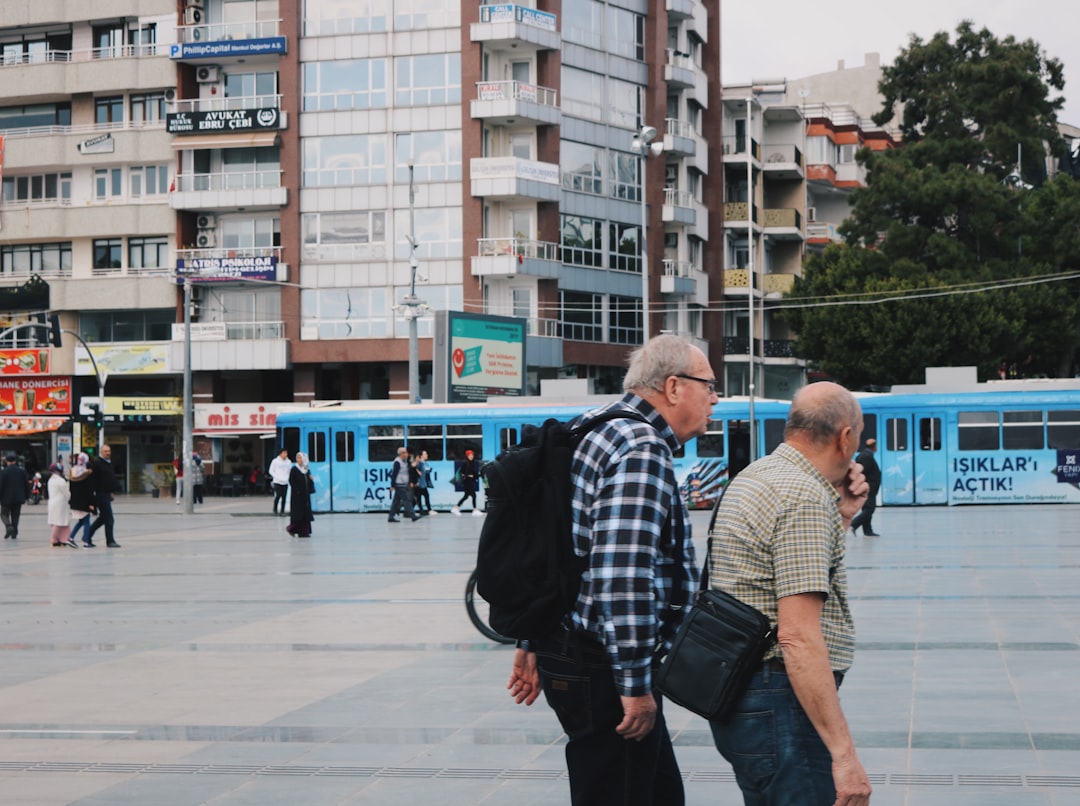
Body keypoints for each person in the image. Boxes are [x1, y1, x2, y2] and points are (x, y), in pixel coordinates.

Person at [506, 335, 715, 806]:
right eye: (709, 385)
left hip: (574, 650)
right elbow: (622, 574)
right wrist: (635, 685)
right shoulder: (640, 447)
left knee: (656, 793)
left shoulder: (590, 427)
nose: (715, 398)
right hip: (602, 668)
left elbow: (553, 546)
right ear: (675, 387)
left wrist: (532, 638)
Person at [707, 382, 873, 806]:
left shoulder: (756, 476)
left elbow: (776, 571)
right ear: (845, 437)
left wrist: (844, 515)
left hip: (744, 698)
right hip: (780, 705)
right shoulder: (803, 496)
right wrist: (844, 755)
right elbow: (797, 636)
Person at [87, 444, 121, 548]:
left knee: (102, 518)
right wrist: (92, 498)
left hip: (106, 493)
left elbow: (110, 478)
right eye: (106, 451)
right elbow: (93, 480)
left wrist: (111, 492)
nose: (108, 453)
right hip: (100, 494)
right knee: (109, 518)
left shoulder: (108, 463)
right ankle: (110, 541)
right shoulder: (97, 463)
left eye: (109, 451)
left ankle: (87, 536)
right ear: (101, 452)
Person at [850, 438, 882, 537]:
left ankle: (868, 530)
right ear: (874, 446)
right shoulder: (867, 456)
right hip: (868, 488)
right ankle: (854, 524)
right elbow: (863, 472)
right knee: (870, 509)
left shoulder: (865, 455)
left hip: (869, 487)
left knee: (867, 509)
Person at [69, 453, 96, 548]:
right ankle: (86, 541)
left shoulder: (72, 471)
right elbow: (89, 489)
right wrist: (92, 503)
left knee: (82, 521)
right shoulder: (86, 473)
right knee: (86, 521)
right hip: (84, 501)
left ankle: (71, 537)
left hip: (75, 500)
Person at [387, 446, 420, 523]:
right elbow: (394, 474)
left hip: (403, 483)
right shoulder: (397, 462)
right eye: (405, 452)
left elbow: (408, 470)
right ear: (401, 453)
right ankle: (413, 516)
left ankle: (391, 517)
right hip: (399, 484)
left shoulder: (404, 461)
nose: (406, 454)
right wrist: (392, 485)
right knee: (406, 500)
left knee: (396, 501)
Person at [286, 452, 315, 537]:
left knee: (305, 514)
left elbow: (309, 482)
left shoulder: (306, 469)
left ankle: (304, 532)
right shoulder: (294, 469)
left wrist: (311, 480)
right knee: (298, 514)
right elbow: (291, 481)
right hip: (297, 496)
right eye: (298, 458)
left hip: (305, 496)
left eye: (300, 458)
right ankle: (292, 529)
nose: (299, 460)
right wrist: (297, 490)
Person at [46, 462, 75, 548]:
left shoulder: (50, 480)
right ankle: (54, 539)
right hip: (60, 503)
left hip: (52, 502)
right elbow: (67, 494)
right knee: (59, 522)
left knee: (56, 521)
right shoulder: (61, 481)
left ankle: (62, 538)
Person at [1, 452, 29, 540]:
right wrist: (27, 496)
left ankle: (9, 527)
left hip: (6, 497)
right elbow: (26, 485)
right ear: (15, 461)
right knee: (15, 515)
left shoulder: (3, 472)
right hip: (18, 497)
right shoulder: (21, 471)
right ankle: (14, 533)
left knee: (4, 514)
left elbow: (0, 485)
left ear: (6, 461)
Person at [451, 449, 482, 516]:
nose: (471, 456)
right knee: (473, 495)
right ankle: (475, 510)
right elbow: (463, 473)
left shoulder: (472, 463)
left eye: (472, 455)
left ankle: (456, 508)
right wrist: (469, 476)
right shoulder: (466, 463)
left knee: (466, 496)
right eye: (469, 455)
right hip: (467, 482)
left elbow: (473, 474)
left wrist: (474, 476)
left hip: (469, 481)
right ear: (467, 456)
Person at [269, 449, 292, 516]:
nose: (285, 454)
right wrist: (276, 477)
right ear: (280, 454)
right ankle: (275, 509)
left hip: (285, 482)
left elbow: (289, 471)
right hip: (277, 481)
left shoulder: (288, 462)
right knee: (278, 495)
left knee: (284, 497)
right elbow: (271, 471)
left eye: (286, 453)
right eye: (284, 453)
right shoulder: (275, 461)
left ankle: (282, 511)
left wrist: (288, 478)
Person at [413, 449, 435, 515]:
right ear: (421, 456)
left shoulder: (425, 463)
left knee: (425, 496)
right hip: (419, 483)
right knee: (419, 497)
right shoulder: (420, 463)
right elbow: (414, 469)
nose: (427, 455)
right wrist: (417, 472)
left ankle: (428, 510)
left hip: (424, 483)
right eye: (425, 454)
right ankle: (423, 510)